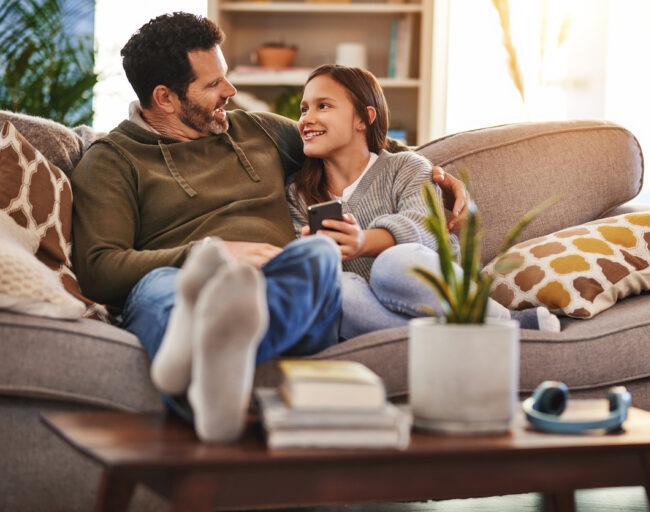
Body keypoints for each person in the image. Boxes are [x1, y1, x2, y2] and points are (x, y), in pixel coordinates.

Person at [70, 13, 468, 443]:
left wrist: (433, 172)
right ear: (165, 98)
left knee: (317, 255)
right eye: (212, 85)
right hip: (184, 278)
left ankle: (194, 364)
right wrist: (209, 253)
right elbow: (99, 268)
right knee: (164, 289)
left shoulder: (256, 130)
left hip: (279, 278)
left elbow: (352, 136)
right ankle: (208, 366)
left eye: (225, 77)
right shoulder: (112, 159)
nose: (230, 91)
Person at [286, 65, 560, 338]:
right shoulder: (298, 193)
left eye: (323, 106)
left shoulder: (407, 167)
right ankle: (462, 340)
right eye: (304, 109)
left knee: (393, 262)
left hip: (431, 291)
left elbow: (425, 229)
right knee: (336, 290)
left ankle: (506, 322)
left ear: (363, 118)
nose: (307, 119)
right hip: (374, 311)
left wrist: (361, 242)